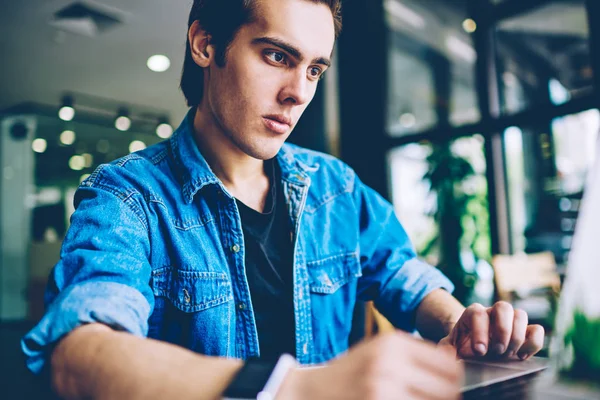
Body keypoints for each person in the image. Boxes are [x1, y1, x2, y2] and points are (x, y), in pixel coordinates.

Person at [22, 0, 545, 399]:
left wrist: (464, 326)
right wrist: (293, 387)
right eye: (277, 56)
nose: (299, 92)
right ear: (206, 44)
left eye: (315, 69)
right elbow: (80, 354)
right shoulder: (128, 197)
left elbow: (405, 277)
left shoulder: (334, 186)